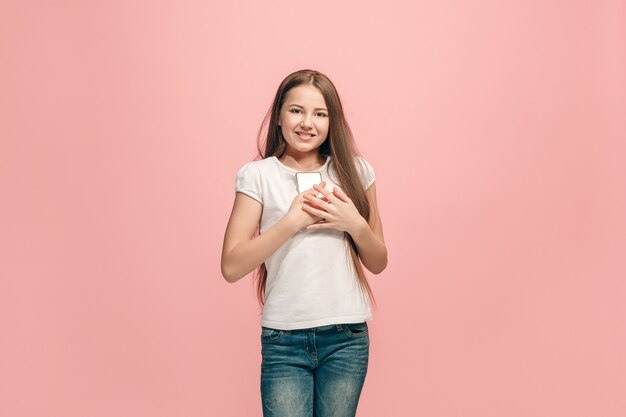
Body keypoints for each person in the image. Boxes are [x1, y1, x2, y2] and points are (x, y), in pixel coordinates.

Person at [220, 69, 388, 417]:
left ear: (332, 121)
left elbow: (378, 260)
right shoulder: (259, 175)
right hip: (284, 339)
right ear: (279, 115)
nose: (307, 122)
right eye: (296, 110)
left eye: (320, 114)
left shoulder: (357, 171)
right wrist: (292, 222)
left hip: (346, 336)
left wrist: (353, 223)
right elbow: (232, 265)